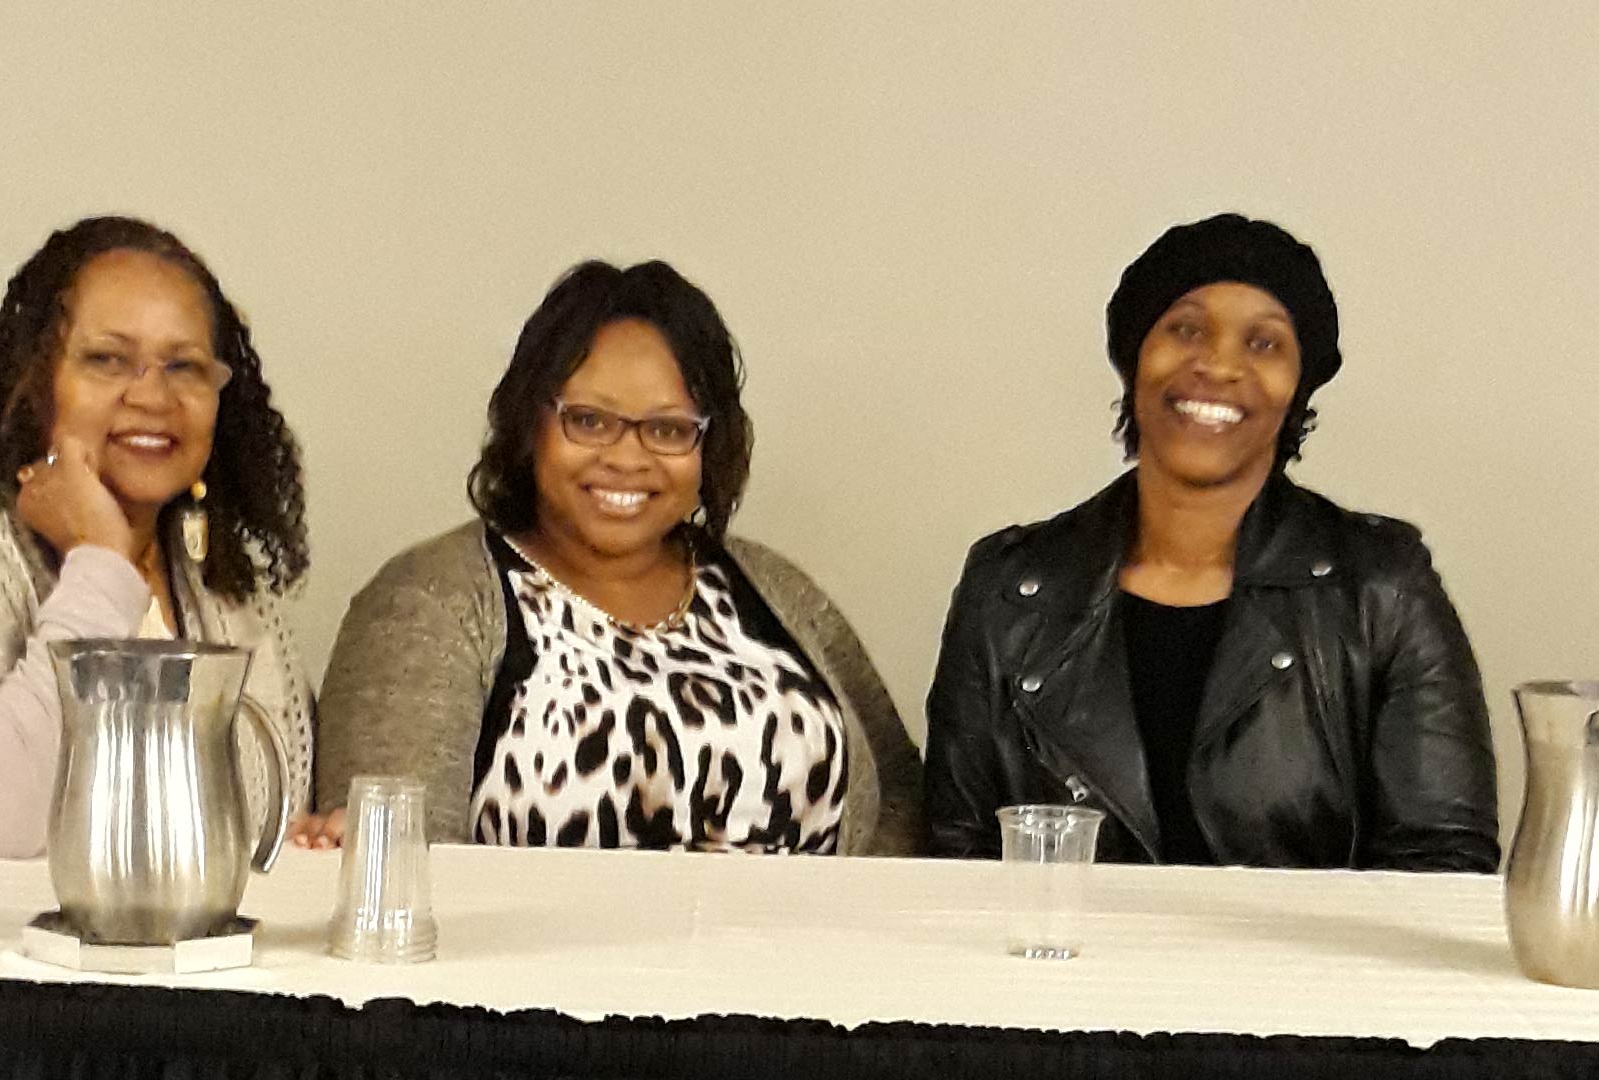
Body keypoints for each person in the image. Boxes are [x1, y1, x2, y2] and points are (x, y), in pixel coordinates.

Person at [922, 213, 1498, 871]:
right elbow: (955, 858)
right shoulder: (1008, 589)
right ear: (1136, 357)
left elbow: (1444, 864)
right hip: (1063, 971)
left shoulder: (1382, 588)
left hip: (1302, 976)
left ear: (1297, 390)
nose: (1219, 365)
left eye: (1264, 344)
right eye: (1186, 329)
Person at [304, 260, 920, 854]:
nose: (627, 457)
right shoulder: (430, 604)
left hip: (802, 958)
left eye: (669, 429)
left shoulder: (773, 588)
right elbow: (389, 860)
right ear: (528, 425)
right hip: (529, 963)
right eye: (590, 421)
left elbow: (898, 798)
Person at [0, 215, 314, 856]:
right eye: (108, 360)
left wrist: (308, 838)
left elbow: (252, 820)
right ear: (34, 381)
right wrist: (101, 561)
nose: (153, 395)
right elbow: (2, 819)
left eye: (185, 366)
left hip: (143, 952)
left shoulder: (219, 584)